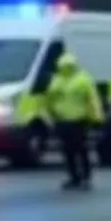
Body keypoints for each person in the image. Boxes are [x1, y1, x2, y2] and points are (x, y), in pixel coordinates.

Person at [45, 52, 104, 189]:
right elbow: (49, 99)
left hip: (79, 120)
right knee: (67, 151)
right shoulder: (57, 80)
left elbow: (92, 99)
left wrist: (96, 117)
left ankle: (86, 177)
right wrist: (49, 115)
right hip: (62, 120)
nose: (66, 69)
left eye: (68, 66)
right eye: (63, 67)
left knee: (80, 149)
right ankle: (74, 177)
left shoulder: (83, 80)